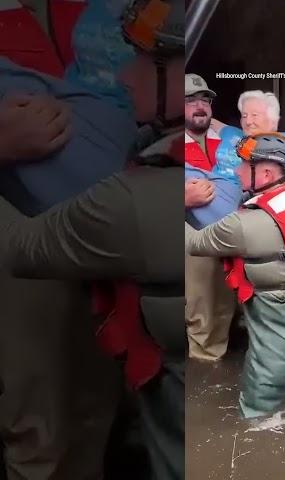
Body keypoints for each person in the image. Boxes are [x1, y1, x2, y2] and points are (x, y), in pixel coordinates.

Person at [0, 0, 186, 478]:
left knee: (100, 412)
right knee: (45, 427)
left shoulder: (134, 198)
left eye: (143, 63)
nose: (124, 77)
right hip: (55, 248)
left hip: (102, 233)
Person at [185, 133, 285, 419]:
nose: (237, 172)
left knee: (254, 418)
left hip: (277, 346)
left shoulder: (243, 224)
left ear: (265, 173)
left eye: (243, 165)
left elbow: (193, 243)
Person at [183, 73, 242, 362]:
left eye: (204, 100)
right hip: (198, 238)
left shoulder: (230, 138)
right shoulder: (162, 147)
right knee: (204, 312)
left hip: (240, 235)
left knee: (231, 305)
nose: (199, 106)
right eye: (189, 100)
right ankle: (204, 368)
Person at [210, 90, 285, 193]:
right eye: (244, 115)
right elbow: (205, 120)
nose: (248, 121)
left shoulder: (282, 142)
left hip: (242, 205)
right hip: (207, 189)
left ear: (271, 118)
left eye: (255, 115)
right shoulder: (230, 132)